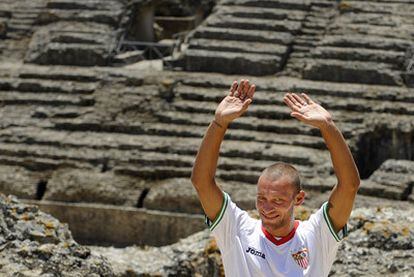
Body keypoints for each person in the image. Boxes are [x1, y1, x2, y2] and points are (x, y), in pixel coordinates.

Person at [190, 79, 360, 277]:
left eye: (278, 200)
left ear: (298, 199)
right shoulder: (236, 229)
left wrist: (328, 126)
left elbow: (349, 186)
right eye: (262, 199)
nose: (266, 209)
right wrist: (219, 123)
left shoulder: (316, 235)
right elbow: (201, 182)